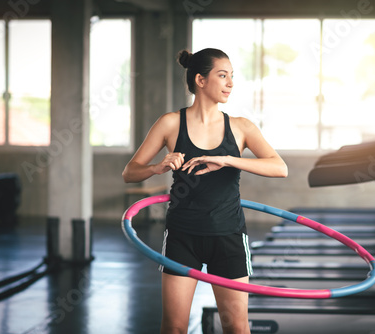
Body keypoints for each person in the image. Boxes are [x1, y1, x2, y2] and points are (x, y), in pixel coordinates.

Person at [122, 48, 287, 334]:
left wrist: (227, 159)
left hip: (229, 236)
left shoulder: (240, 127)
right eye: (223, 76)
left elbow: (279, 167)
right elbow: (130, 172)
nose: (230, 83)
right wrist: (157, 167)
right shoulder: (171, 123)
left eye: (232, 76)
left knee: (235, 327)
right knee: (173, 327)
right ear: (200, 80)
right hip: (182, 236)